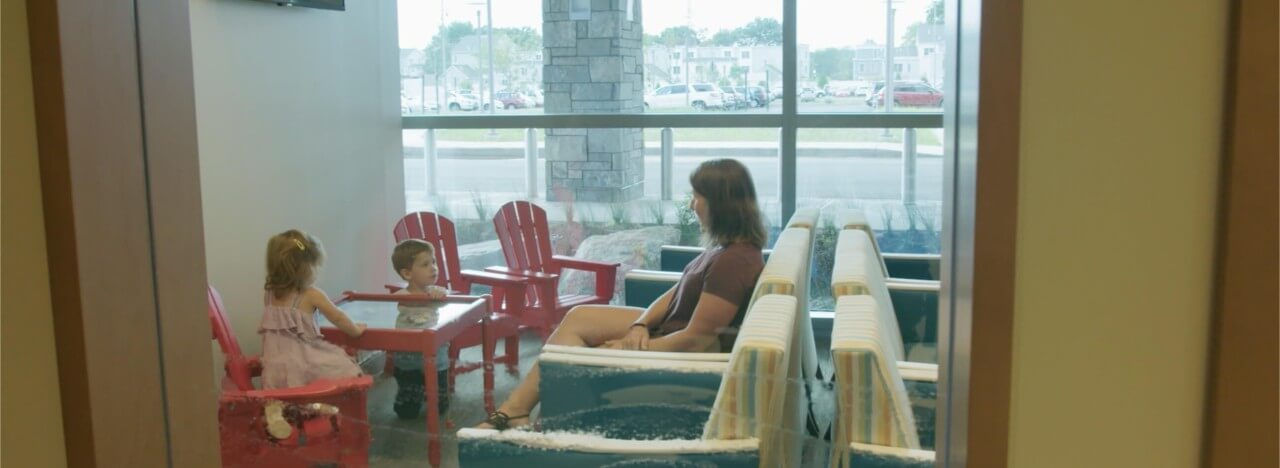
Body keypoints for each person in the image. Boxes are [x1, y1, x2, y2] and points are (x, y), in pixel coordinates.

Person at [479, 159, 767, 430]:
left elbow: (697, 339)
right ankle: (523, 411)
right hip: (665, 329)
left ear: (720, 204)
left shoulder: (735, 262)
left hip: (686, 353)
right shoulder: (722, 249)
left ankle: (535, 419)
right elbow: (674, 293)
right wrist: (640, 324)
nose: (692, 204)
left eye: (697, 197)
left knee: (574, 351)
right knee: (578, 318)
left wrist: (626, 347)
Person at [258, 229, 366, 390]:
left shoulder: (270, 294)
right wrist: (356, 330)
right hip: (305, 362)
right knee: (345, 365)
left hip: (275, 364)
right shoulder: (311, 294)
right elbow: (338, 318)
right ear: (307, 268)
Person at [388, 239, 451, 419]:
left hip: (435, 358)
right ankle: (411, 397)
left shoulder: (436, 293)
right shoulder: (399, 298)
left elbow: (450, 301)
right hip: (407, 361)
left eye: (434, 262)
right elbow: (385, 314)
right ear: (407, 273)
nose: (433, 268)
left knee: (440, 407)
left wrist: (442, 295)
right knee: (405, 411)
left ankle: (436, 397)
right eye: (425, 264)